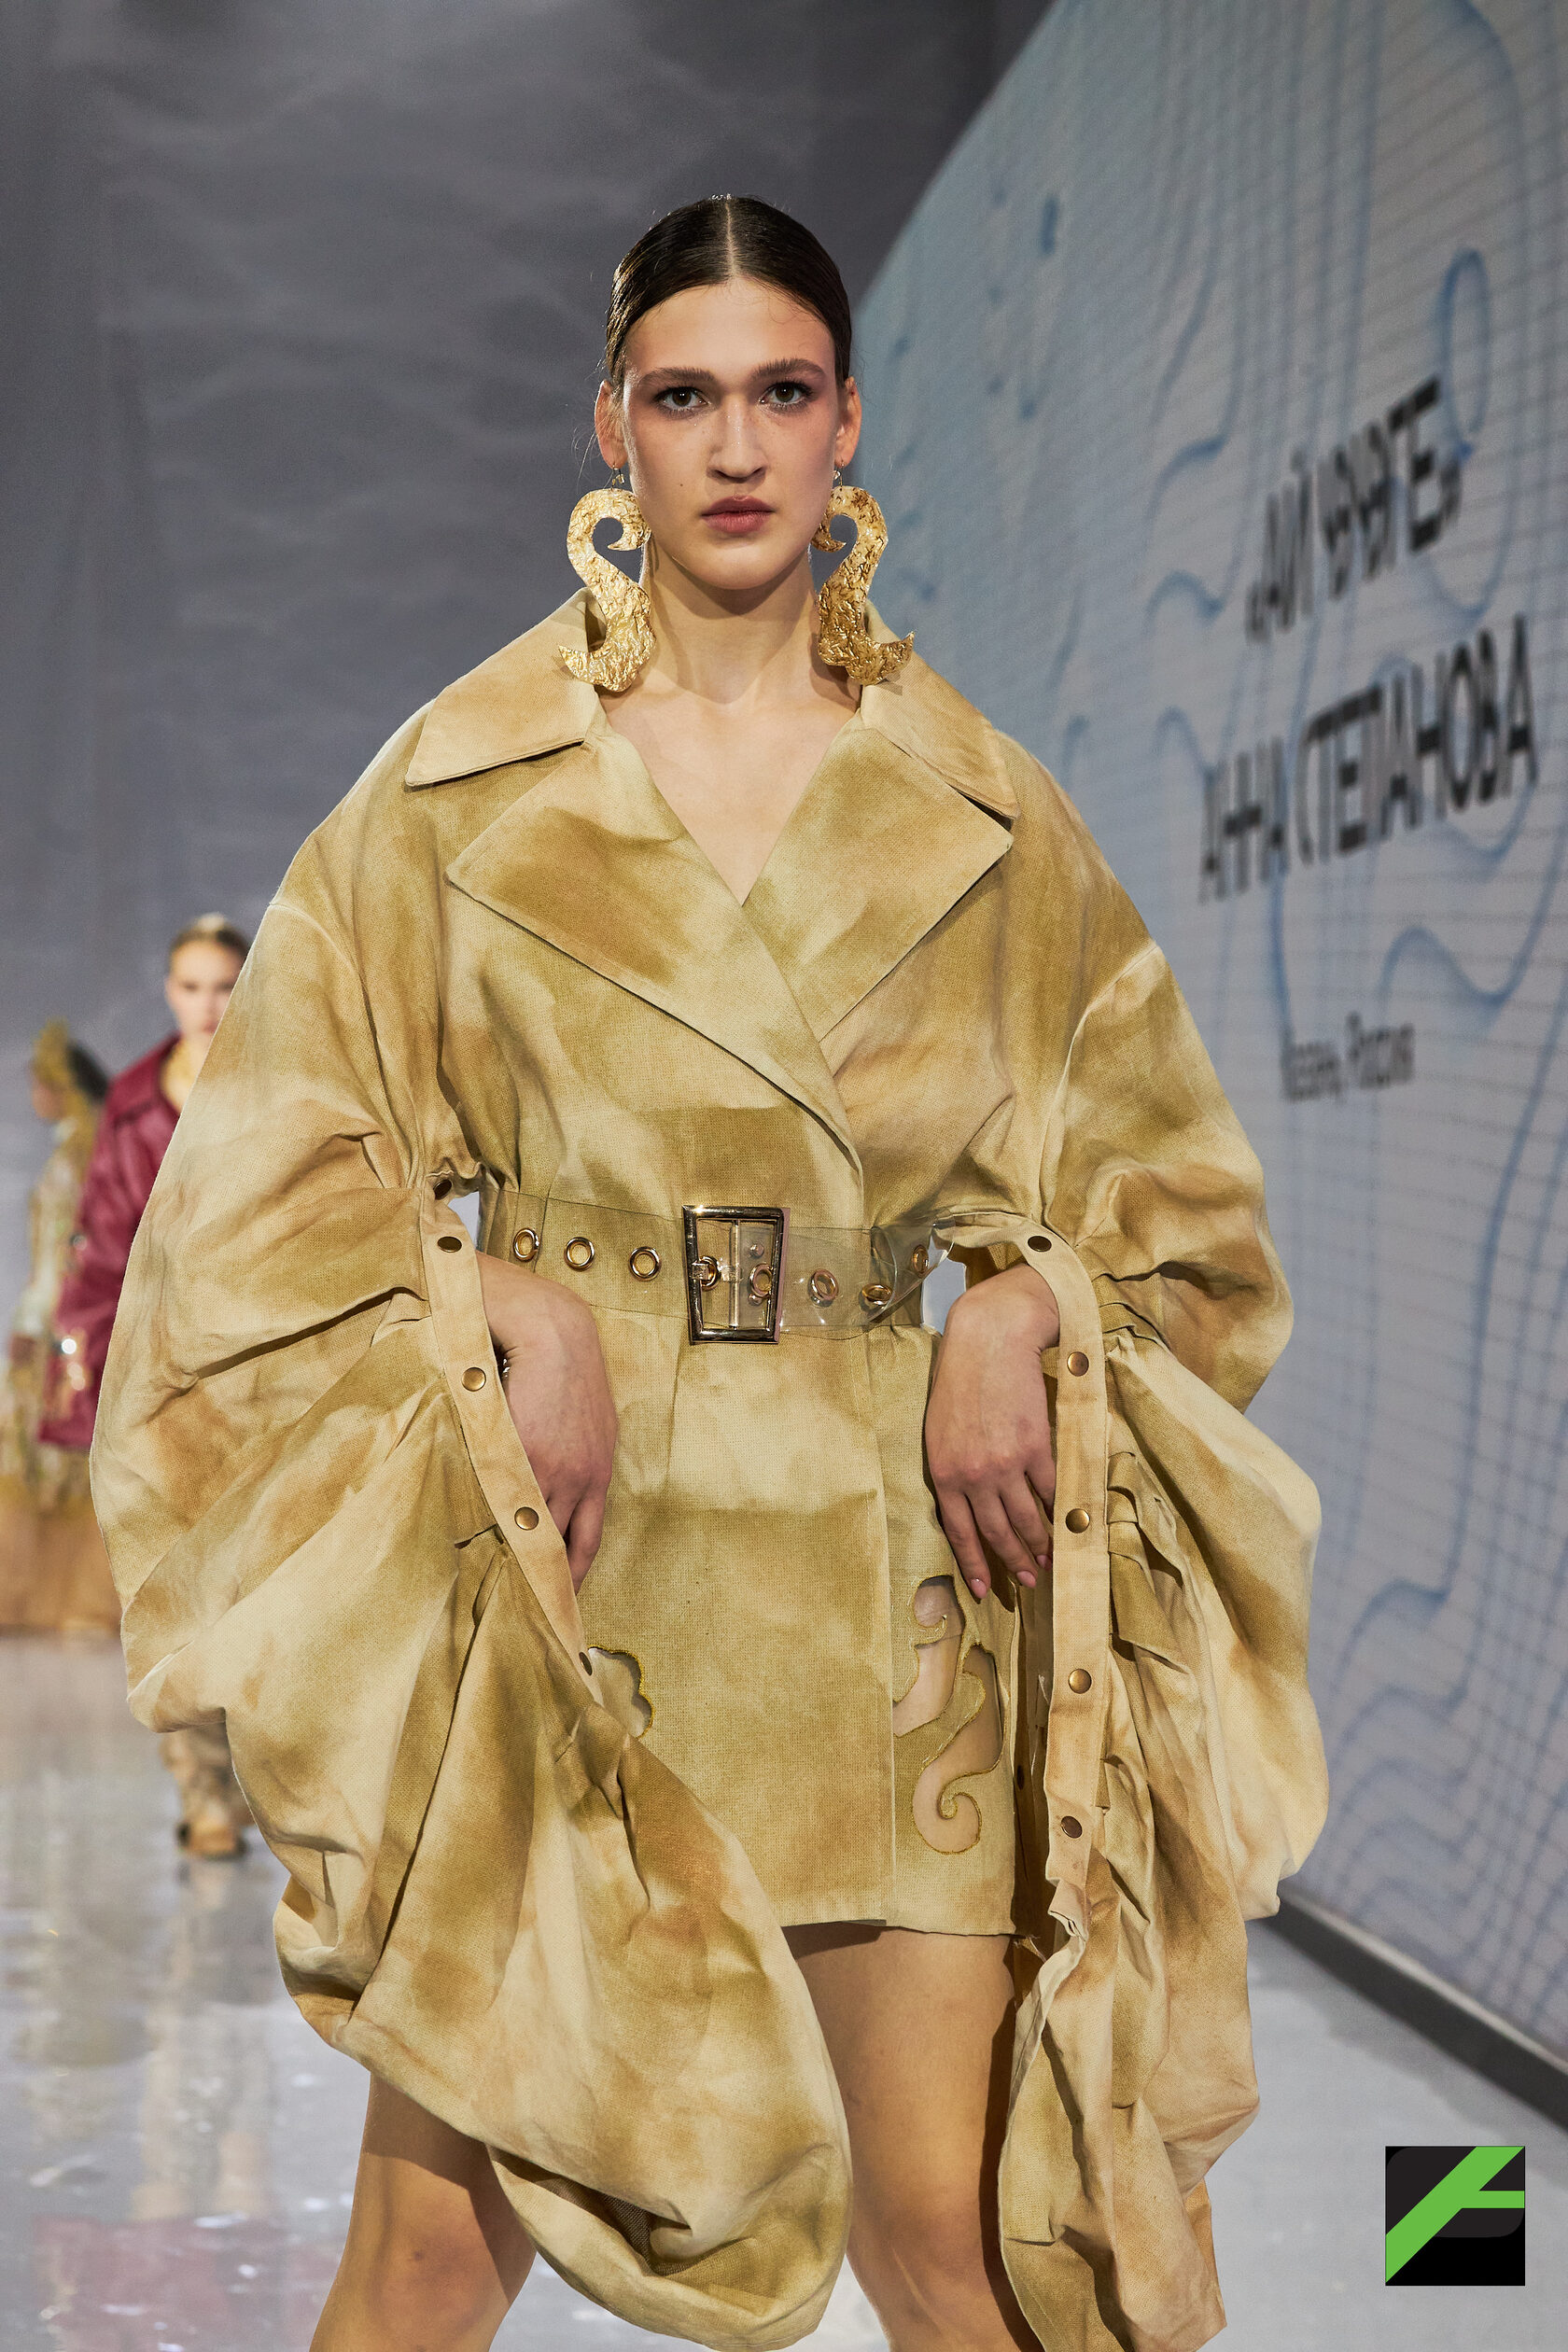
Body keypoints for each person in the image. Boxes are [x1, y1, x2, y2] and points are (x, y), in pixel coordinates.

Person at [93, 199, 1327, 2352]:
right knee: (421, 2269)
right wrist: (490, 1300)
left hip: (893, 1589)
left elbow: (1186, 1222)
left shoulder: (983, 813)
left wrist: (1026, 1301)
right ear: (614, 427)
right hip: (562, 1581)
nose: (736, 447)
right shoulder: (460, 786)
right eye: (685, 397)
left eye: (780, 394)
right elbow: (259, 1183)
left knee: (959, 2253)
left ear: (848, 426)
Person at [42, 914, 253, 1857]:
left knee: (256, 1586)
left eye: (224, 985)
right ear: (169, 991)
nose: (207, 1004)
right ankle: (204, 1791)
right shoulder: (132, 1105)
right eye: (192, 986)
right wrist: (81, 1378)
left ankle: (257, 1783)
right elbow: (100, 1251)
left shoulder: (283, 1086)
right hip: (158, 1372)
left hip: (266, 1367)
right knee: (170, 1588)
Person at [0, 1022, 117, 1631]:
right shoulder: (88, 1149)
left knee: (46, 1451)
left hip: (63, 1327)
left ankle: (57, 1600)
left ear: (60, 1086)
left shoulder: (76, 1160)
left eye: (38, 1083)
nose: (33, 1095)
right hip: (78, 1322)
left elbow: (63, 1258)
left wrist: (32, 1321)